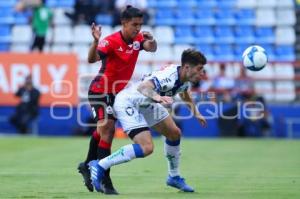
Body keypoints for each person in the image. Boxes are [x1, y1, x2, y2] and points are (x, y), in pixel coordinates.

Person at [88, 49, 207, 193]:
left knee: (174, 134)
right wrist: (158, 98)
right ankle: (99, 165)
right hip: (129, 102)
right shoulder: (168, 76)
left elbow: (184, 93)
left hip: (147, 103)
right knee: (146, 148)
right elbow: (143, 87)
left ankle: (173, 177)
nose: (202, 73)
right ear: (187, 67)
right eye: (200, 69)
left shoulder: (184, 78)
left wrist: (196, 113)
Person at [77, 5, 157, 194]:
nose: (137, 28)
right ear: (124, 23)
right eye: (134, 24)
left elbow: (150, 48)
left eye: (140, 24)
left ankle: (87, 165)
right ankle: (106, 181)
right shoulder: (110, 41)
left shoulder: (138, 39)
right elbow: (92, 59)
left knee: (105, 130)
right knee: (107, 128)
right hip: (99, 90)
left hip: (117, 94)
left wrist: (152, 40)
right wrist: (95, 42)